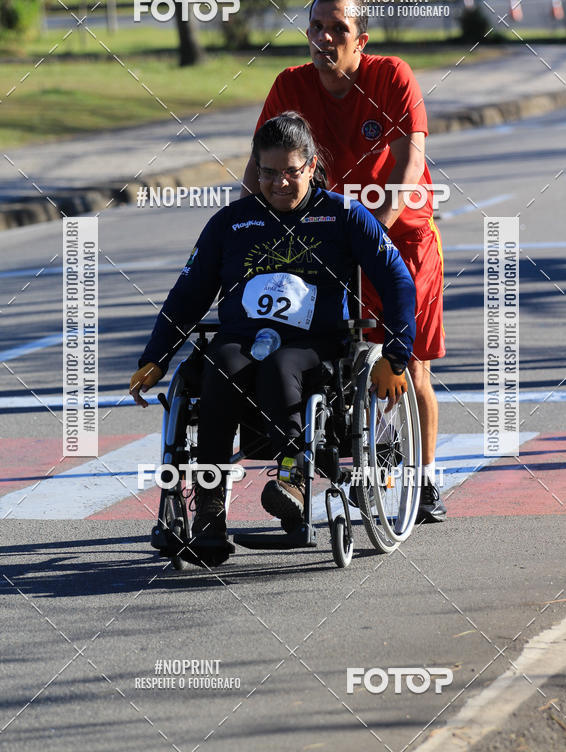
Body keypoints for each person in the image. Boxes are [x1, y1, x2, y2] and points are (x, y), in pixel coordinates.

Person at [130, 112, 416, 564]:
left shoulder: (343, 215)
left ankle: (291, 480)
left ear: (311, 165)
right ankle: (208, 507)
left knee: (283, 366)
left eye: (291, 172)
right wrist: (156, 357)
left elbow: (398, 280)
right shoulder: (231, 222)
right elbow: (188, 294)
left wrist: (396, 357)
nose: (280, 183)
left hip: (316, 344)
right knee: (219, 367)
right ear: (255, 169)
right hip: (241, 340)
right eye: (268, 172)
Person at [241, 0, 446, 524]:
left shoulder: (392, 76)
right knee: (329, 352)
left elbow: (408, 164)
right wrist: (246, 228)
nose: (325, 38)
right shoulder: (291, 84)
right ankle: (333, 461)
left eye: (339, 29)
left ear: (362, 39)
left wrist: (375, 227)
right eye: (316, 29)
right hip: (329, 237)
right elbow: (261, 165)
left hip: (400, 235)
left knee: (408, 367)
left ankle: (424, 481)